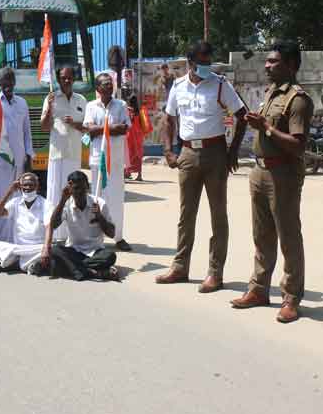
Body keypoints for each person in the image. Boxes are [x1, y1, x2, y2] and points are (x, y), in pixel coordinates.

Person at [230, 42, 312, 323]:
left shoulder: (298, 99)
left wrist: (265, 127)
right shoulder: (269, 94)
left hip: (283, 175)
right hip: (260, 172)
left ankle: (291, 298)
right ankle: (258, 289)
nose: (266, 66)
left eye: (273, 62)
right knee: (262, 235)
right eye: (267, 61)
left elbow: (298, 145)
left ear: (291, 65)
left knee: (288, 236)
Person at [156, 41, 247, 293]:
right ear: (190, 62)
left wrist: (232, 151)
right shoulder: (178, 86)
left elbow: (243, 115)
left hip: (215, 153)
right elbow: (169, 118)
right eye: (202, 62)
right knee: (186, 215)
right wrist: (168, 150)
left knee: (218, 215)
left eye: (209, 62)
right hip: (187, 153)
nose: (207, 66)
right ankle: (180, 268)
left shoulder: (220, 84)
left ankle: (215, 273)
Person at [0, 67, 34, 240]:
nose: (8, 84)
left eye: (11, 80)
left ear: (14, 82)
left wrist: (29, 156)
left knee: (17, 200)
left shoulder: (22, 103)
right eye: (4, 81)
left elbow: (27, 132)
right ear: (0, 83)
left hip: (18, 161)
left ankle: (15, 236)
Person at [83, 73, 132, 251]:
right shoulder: (91, 106)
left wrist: (101, 129)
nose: (109, 87)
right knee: (98, 198)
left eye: (110, 84)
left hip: (116, 161)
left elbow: (125, 128)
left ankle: (118, 237)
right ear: (98, 88)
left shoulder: (121, 105)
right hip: (98, 159)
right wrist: (112, 128)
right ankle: (97, 238)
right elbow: (89, 129)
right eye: (105, 84)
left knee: (117, 199)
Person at [41, 171, 119, 281]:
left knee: (110, 256)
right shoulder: (66, 204)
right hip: (74, 250)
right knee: (55, 250)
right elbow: (53, 225)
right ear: (70, 189)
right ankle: (92, 272)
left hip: (95, 251)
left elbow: (111, 234)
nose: (79, 192)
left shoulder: (99, 203)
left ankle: (76, 269)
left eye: (82, 188)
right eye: (76, 188)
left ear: (87, 187)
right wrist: (62, 200)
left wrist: (99, 216)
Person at [40, 67, 87, 243]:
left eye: (69, 78)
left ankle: (71, 235)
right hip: (57, 156)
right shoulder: (51, 98)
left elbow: (87, 127)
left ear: (73, 79)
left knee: (74, 195)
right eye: (63, 78)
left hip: (74, 155)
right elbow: (44, 127)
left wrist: (75, 124)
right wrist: (49, 109)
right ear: (58, 80)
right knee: (55, 194)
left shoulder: (81, 100)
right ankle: (53, 235)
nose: (66, 81)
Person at [0, 173, 48, 275]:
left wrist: (46, 248)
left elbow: (49, 226)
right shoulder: (16, 202)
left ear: (37, 186)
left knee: (49, 249)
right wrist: (9, 191)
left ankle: (12, 265)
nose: (28, 188)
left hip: (36, 248)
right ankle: (26, 265)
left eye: (31, 185)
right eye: (25, 185)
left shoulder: (45, 203)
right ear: (20, 187)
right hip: (18, 248)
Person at [125, 95, 145, 181]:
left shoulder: (128, 110)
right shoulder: (140, 111)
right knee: (138, 154)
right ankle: (139, 175)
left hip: (130, 134)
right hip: (139, 135)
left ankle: (127, 172)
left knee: (129, 154)